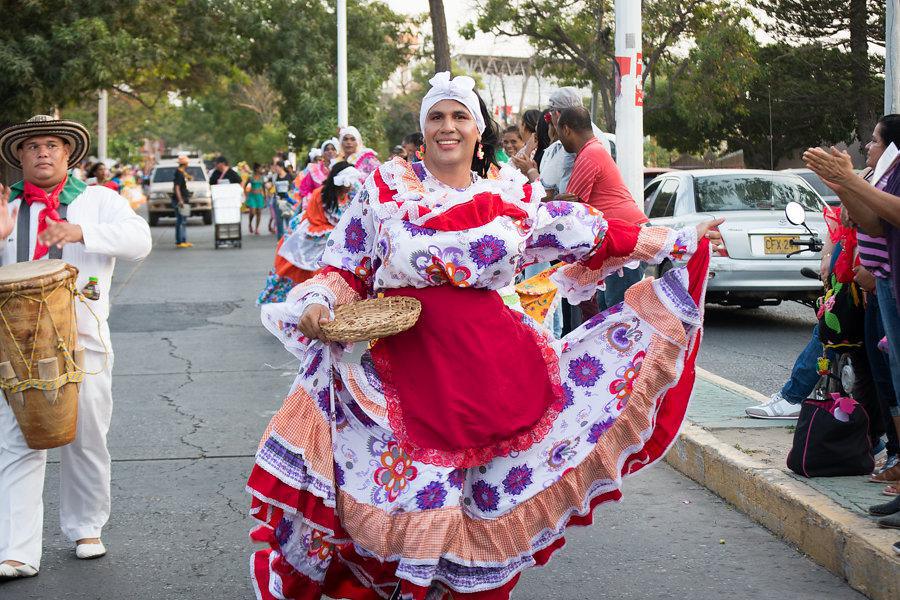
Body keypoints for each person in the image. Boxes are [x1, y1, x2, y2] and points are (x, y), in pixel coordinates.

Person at [245, 72, 723, 599]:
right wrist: (316, 302)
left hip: (495, 375)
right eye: (436, 117)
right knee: (419, 507)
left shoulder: (511, 198)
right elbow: (347, 270)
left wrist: (676, 239)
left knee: (483, 513)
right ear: (423, 131)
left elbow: (593, 232)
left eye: (459, 116)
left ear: (478, 132)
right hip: (401, 377)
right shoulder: (382, 191)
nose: (447, 127)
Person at [0, 115, 152, 579]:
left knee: (85, 437)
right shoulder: (6, 207)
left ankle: (86, 528)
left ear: (68, 154)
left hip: (82, 341)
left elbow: (139, 241)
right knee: (16, 442)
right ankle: (16, 550)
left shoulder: (99, 200)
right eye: (32, 147)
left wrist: (81, 232)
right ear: (19, 157)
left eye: (52, 145)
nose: (42, 153)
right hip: (14, 347)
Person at [557, 106, 649, 317]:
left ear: (567, 129)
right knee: (607, 310)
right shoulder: (593, 151)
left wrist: (553, 200)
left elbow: (571, 206)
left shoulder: (589, 155)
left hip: (625, 238)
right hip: (619, 238)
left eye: (559, 132)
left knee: (618, 313)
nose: (559, 139)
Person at [258, 162, 360, 305]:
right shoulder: (321, 194)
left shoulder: (348, 196)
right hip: (310, 235)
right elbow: (315, 220)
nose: (350, 186)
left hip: (331, 237)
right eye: (348, 182)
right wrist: (337, 234)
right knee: (293, 269)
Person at [297, 141, 334, 206]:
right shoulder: (313, 170)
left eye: (333, 149)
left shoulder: (341, 168)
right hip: (316, 206)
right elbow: (304, 189)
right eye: (327, 149)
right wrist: (311, 199)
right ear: (323, 153)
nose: (330, 151)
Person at [172, 154, 193, 248]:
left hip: (183, 199)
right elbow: (176, 188)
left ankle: (183, 240)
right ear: (185, 164)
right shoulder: (179, 174)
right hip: (180, 200)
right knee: (180, 221)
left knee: (183, 220)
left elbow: (187, 177)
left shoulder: (181, 172)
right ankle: (179, 241)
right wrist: (180, 200)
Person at [271, 161, 294, 240]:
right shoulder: (274, 176)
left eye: (276, 167)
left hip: (288, 201)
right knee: (279, 222)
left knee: (289, 221)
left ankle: (289, 239)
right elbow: (271, 186)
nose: (275, 169)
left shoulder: (289, 176)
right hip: (278, 201)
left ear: (281, 167)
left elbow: (293, 187)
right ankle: (280, 240)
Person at [245, 163, 266, 235]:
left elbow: (263, 188)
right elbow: (245, 186)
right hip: (252, 196)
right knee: (253, 212)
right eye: (260, 168)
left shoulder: (262, 177)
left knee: (259, 212)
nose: (261, 169)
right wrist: (246, 195)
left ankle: (257, 228)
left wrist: (264, 198)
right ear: (256, 169)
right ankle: (250, 224)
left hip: (259, 196)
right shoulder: (250, 177)